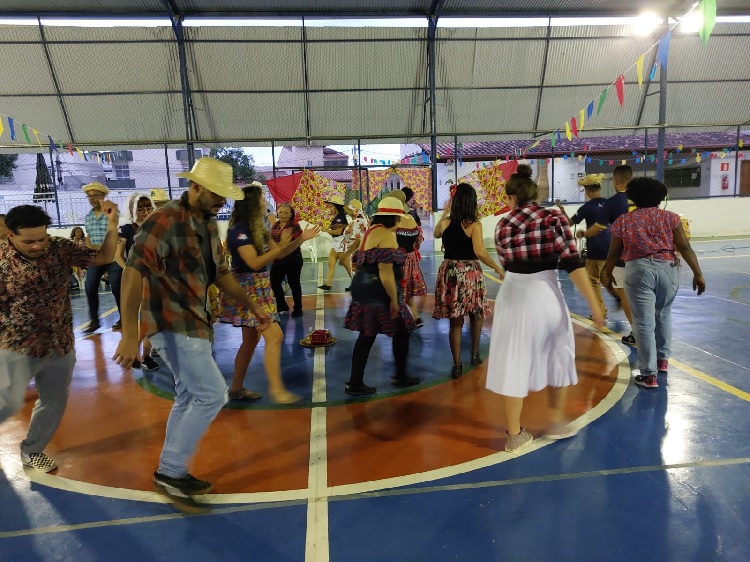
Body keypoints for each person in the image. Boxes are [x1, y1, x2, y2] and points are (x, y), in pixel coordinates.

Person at [113, 156, 272, 497]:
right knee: (212, 393)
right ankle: (171, 471)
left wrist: (252, 305)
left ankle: (169, 470)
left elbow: (221, 273)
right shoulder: (164, 220)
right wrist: (129, 335)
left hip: (195, 320)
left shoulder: (208, 223)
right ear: (195, 186)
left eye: (224, 195)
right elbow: (132, 273)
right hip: (170, 321)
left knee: (188, 395)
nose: (221, 201)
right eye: (215, 193)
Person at [485, 164, 604, 453]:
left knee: (513, 360)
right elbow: (573, 262)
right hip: (545, 293)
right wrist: (594, 305)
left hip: (513, 296)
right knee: (559, 353)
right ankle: (555, 422)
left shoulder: (503, 225)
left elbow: (507, 263)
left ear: (511, 197)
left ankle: (514, 434)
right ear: (534, 194)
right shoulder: (553, 218)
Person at [1, 202, 119, 472]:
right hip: (17, 346)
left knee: (53, 400)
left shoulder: (59, 248)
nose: (37, 246)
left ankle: (32, 450)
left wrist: (112, 226)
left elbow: (103, 258)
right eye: (28, 241)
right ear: (11, 235)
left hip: (59, 343)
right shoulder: (2, 262)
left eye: (41, 238)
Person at [219, 184, 319, 403]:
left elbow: (279, 254)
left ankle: (236, 388)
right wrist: (279, 246)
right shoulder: (240, 231)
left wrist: (301, 239)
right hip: (248, 288)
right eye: (261, 198)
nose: (265, 202)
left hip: (259, 286)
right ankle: (277, 390)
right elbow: (254, 263)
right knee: (275, 336)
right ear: (251, 204)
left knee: (250, 342)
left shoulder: (259, 228)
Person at [604, 177, 705, 390]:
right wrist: (698, 273)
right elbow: (684, 247)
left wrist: (607, 272)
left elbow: (613, 253)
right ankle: (662, 360)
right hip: (668, 269)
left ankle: (649, 374)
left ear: (632, 197)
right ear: (661, 197)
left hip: (638, 270)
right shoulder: (671, 218)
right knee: (663, 314)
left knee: (643, 323)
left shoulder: (623, 221)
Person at [343, 196, 421, 396]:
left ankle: (355, 382)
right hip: (376, 289)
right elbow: (385, 272)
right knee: (402, 328)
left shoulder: (372, 230)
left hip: (362, 285)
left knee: (367, 333)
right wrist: (394, 300)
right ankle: (400, 376)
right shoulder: (387, 235)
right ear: (394, 218)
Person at [433, 183, 504, 378]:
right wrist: (497, 267)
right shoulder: (474, 224)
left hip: (449, 271)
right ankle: (474, 353)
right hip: (470, 272)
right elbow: (480, 252)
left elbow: (436, 233)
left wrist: (445, 212)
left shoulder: (446, 222)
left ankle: (456, 364)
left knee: (455, 321)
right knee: (476, 313)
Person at [591, 165, 636, 345]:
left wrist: (583, 233)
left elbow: (598, 228)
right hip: (645, 256)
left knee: (624, 294)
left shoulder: (612, 203)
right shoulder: (642, 198)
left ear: (616, 181)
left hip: (622, 257)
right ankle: (650, 330)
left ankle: (637, 332)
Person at [555, 173, 611, 320]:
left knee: (592, 280)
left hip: (596, 247)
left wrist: (562, 211)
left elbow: (569, 224)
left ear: (587, 190)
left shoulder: (587, 207)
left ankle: (600, 312)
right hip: (611, 246)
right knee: (605, 276)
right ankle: (619, 298)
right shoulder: (609, 203)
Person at [114, 194, 159, 371]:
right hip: (138, 279)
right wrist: (132, 272)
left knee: (152, 318)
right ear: (133, 210)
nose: (145, 212)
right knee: (147, 318)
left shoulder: (157, 225)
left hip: (156, 277)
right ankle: (140, 353)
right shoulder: (126, 229)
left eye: (148, 208)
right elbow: (118, 256)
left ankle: (144, 354)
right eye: (140, 209)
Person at [82, 182, 123, 333]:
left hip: (113, 257)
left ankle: (124, 318)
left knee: (117, 286)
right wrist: (88, 252)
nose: (92, 199)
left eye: (95, 195)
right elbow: (88, 237)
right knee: (90, 287)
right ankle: (94, 320)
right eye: (89, 196)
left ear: (103, 196)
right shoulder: (88, 217)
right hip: (96, 258)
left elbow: (119, 234)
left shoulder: (113, 213)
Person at [393, 189, 427, 326]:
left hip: (398, 260)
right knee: (407, 291)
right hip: (411, 258)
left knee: (398, 290)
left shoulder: (394, 221)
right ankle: (416, 317)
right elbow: (419, 239)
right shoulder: (411, 218)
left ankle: (403, 320)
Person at [319, 199, 369, 291]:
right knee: (350, 269)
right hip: (350, 249)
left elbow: (358, 240)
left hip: (352, 250)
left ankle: (357, 287)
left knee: (352, 270)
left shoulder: (357, 221)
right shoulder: (361, 218)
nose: (348, 212)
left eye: (349, 210)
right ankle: (354, 285)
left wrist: (346, 253)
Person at [270, 203, 306, 317]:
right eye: (281, 212)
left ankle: (298, 308)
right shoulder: (275, 225)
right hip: (278, 258)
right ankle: (281, 304)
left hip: (293, 259)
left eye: (286, 213)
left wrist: (282, 247)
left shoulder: (294, 226)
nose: (282, 215)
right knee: (274, 282)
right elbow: (271, 240)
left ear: (291, 214)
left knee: (294, 283)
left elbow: (296, 242)